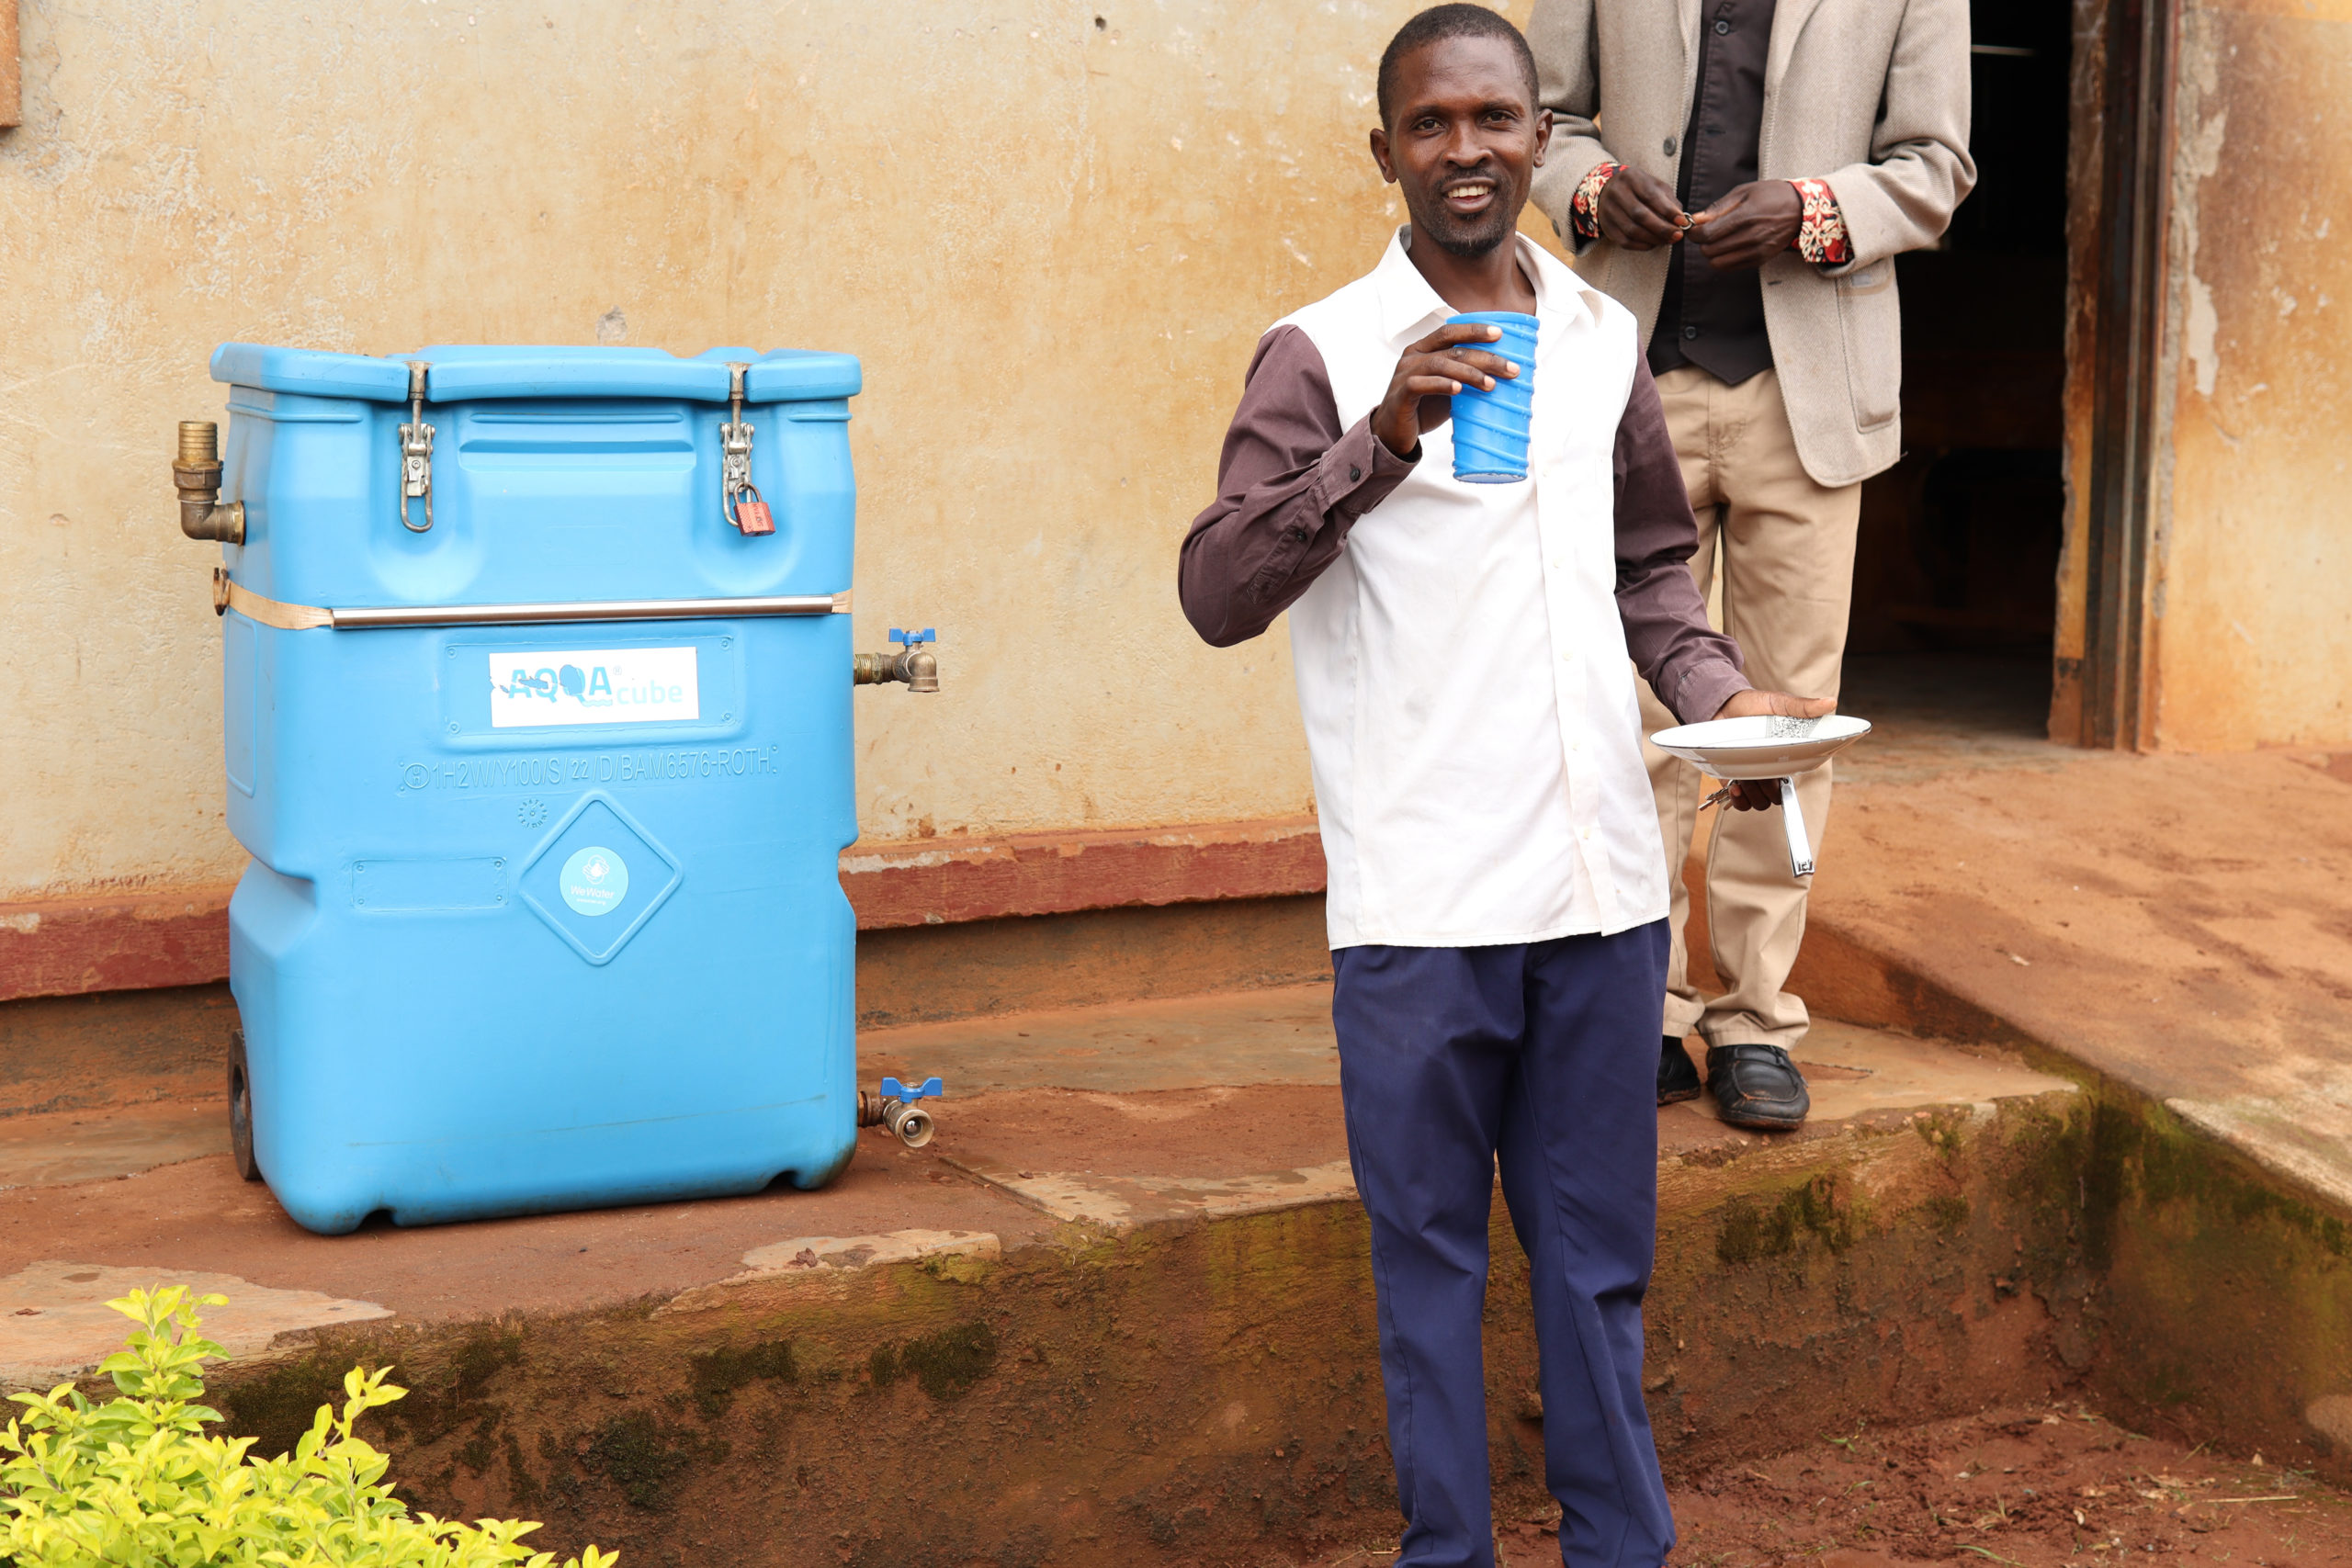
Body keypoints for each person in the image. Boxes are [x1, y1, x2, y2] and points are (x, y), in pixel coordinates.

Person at [1178, 9, 1831, 1564]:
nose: (1465, 150)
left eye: (1493, 119)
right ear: (1385, 149)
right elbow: (1215, 588)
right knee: (1431, 1275)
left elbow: (1652, 575)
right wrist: (1377, 439)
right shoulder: (1321, 349)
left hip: (1598, 890)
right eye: (1429, 124)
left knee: (1597, 1262)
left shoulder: (1606, 344)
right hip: (1418, 904)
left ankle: (1621, 1544)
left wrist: (1728, 706)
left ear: (1546, 138)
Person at [1525, 0, 1973, 1130]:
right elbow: (1542, 117)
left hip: (1810, 394)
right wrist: (1586, 186)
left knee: (1783, 723)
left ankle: (1756, 1018)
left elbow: (1935, 165)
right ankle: (1640, 1007)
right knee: (1624, 717)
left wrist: (1813, 208)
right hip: (1628, 380)